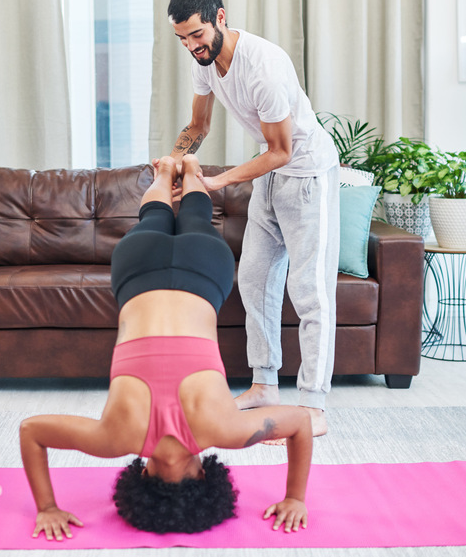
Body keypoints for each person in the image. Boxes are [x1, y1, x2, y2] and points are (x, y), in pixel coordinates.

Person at [19, 155, 313, 541]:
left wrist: (295, 498)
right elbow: (30, 431)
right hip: (138, 270)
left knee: (194, 220)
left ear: (205, 475)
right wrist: (47, 507)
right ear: (141, 477)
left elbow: (302, 423)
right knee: (153, 220)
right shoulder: (115, 438)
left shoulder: (225, 429)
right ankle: (162, 174)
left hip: (203, 272)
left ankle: (191, 171)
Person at [161, 0, 340, 436]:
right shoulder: (205, 62)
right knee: (254, 277)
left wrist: (216, 180)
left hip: (306, 175)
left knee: (310, 290)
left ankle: (314, 405)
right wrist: (172, 161)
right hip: (272, 177)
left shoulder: (264, 66)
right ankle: (264, 385)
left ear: (220, 17)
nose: (191, 46)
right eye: (182, 39)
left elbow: (281, 149)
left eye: (196, 35)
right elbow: (198, 124)